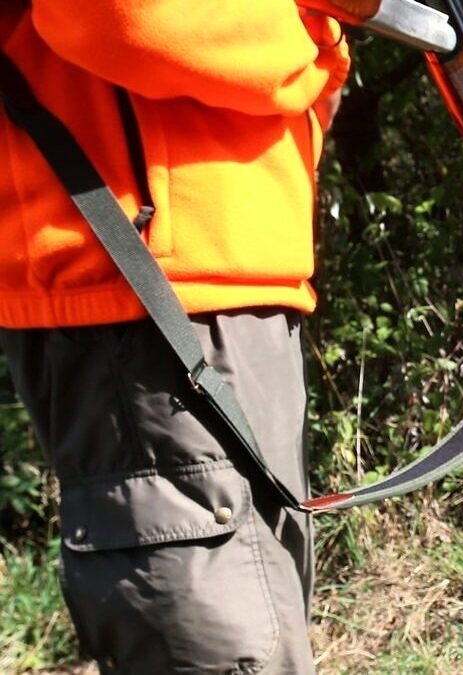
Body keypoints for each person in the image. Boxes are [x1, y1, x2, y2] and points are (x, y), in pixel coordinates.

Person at [0, 1, 351, 672]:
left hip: (189, 285)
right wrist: (320, 30)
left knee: (255, 629)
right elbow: (128, 14)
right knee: (228, 641)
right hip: (148, 291)